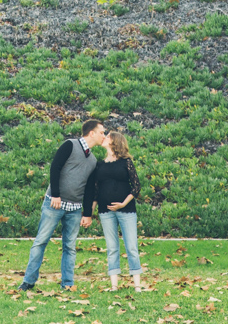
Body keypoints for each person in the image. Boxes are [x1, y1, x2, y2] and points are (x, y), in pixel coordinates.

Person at [18, 119, 107, 292]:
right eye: (102, 132)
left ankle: (67, 283)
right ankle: (28, 282)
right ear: (92, 133)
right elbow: (55, 168)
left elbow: (89, 189)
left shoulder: (93, 160)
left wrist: (87, 213)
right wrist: (56, 195)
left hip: (74, 209)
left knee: (70, 246)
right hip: (54, 204)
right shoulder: (70, 145)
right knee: (41, 241)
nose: (104, 135)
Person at [88, 130, 144, 291]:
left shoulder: (126, 162)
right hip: (105, 211)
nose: (104, 138)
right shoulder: (100, 164)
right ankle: (114, 285)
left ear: (115, 142)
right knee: (112, 247)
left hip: (126, 210)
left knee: (131, 246)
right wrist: (90, 212)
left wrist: (123, 203)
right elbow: (96, 190)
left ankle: (137, 285)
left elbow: (136, 187)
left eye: (108, 137)